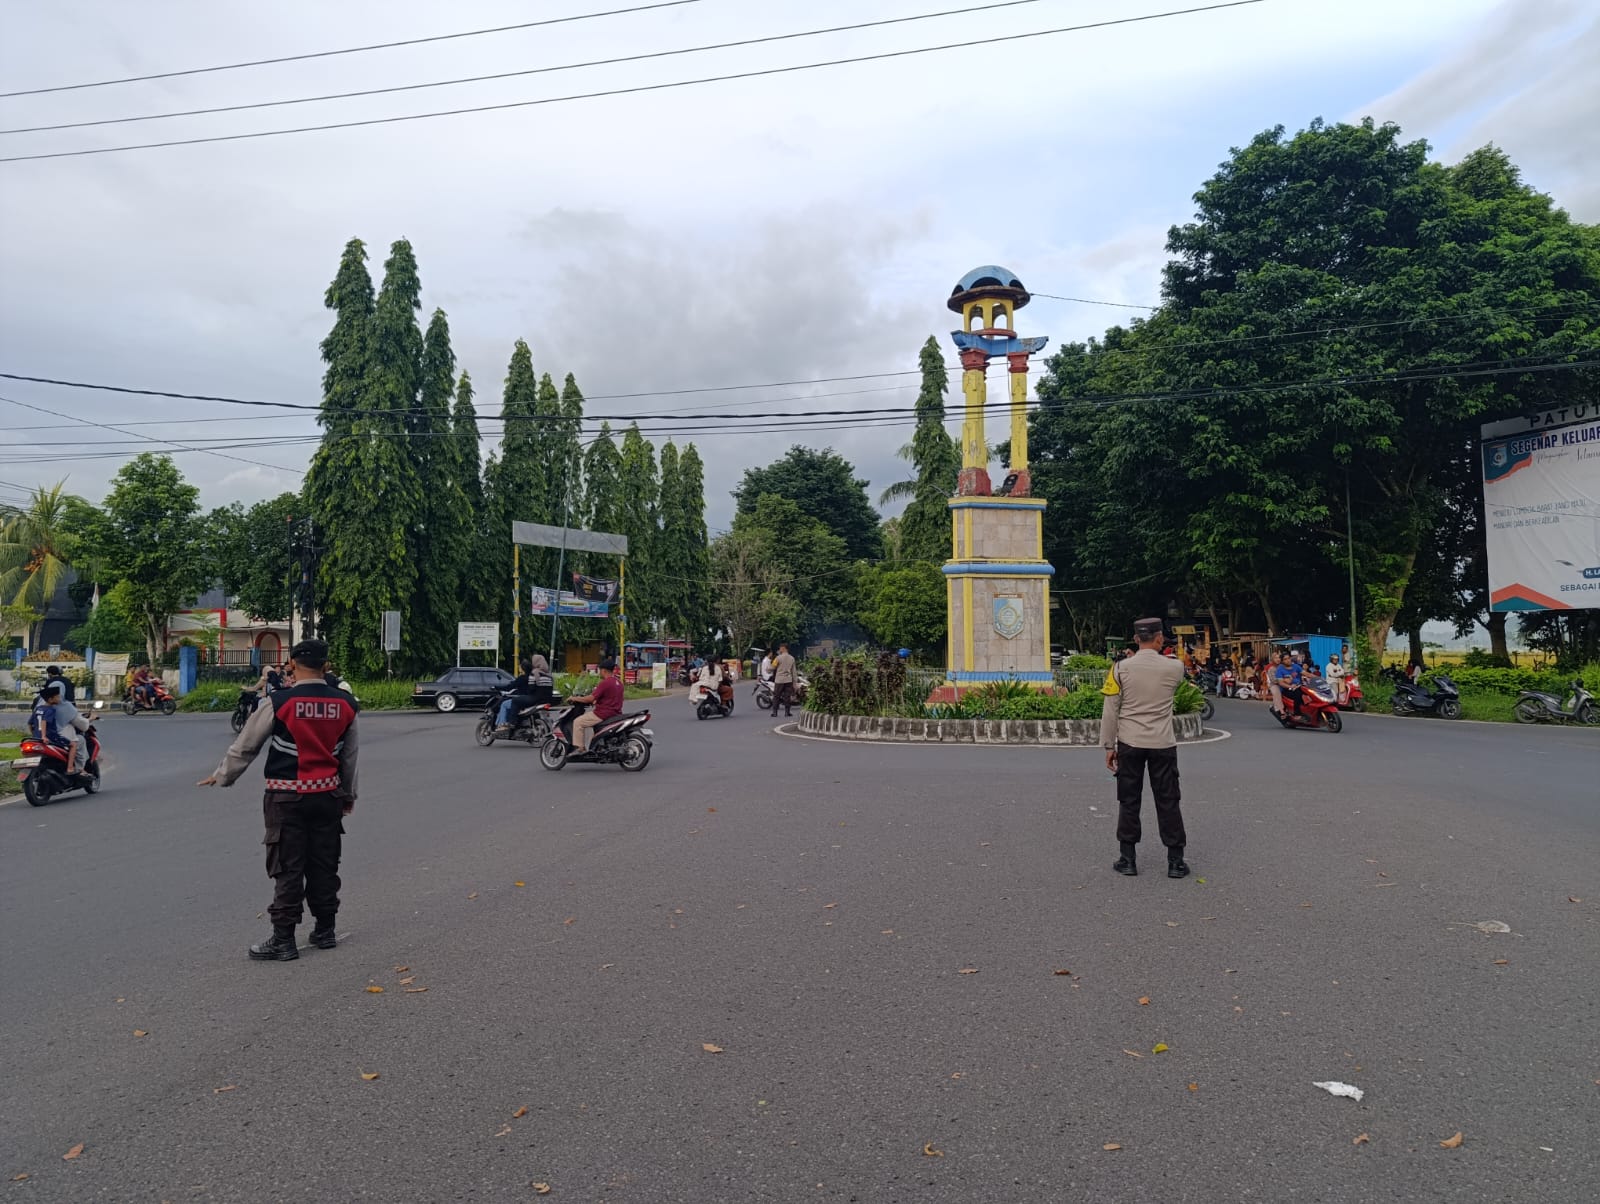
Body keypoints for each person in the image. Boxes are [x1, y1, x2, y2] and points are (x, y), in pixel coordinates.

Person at [197, 638, 359, 962]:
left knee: (287, 867)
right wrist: (348, 795)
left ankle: (283, 939)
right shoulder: (346, 703)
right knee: (324, 863)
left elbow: (247, 744)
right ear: (326, 666)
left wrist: (224, 774)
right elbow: (350, 756)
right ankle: (325, 931)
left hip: (286, 797)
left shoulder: (280, 700)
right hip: (328, 795)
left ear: (293, 665)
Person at [1100, 618, 1189, 879]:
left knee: (1129, 800)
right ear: (1160, 638)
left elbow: (1111, 709)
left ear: (1136, 639)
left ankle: (1127, 859)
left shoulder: (1119, 669)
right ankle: (1176, 862)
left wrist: (1109, 745)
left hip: (1130, 742)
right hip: (1163, 743)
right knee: (1169, 801)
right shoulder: (1176, 668)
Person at [569, 657, 623, 753]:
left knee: (578, 722)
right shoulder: (618, 682)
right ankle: (594, 745)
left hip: (603, 714)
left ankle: (580, 748)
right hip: (616, 713)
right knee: (589, 723)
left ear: (604, 670)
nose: (599, 672)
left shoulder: (605, 683)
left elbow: (590, 698)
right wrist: (596, 701)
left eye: (600, 670)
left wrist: (574, 698)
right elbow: (610, 697)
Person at [496, 654, 554, 734]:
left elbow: (531, 689)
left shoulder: (534, 673)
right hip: (547, 699)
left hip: (536, 698)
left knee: (515, 700)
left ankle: (512, 722)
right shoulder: (549, 675)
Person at [770, 642, 797, 718]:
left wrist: (767, 668)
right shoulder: (792, 658)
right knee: (787, 696)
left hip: (779, 680)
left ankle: (775, 712)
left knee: (776, 696)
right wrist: (795, 682)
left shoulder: (778, 658)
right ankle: (787, 712)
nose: (779, 650)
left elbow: (772, 667)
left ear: (783, 648)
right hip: (788, 680)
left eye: (780, 648)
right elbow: (794, 672)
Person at [1273, 651, 1303, 716]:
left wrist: (1317, 677)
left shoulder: (1296, 666)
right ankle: (1297, 713)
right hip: (1286, 689)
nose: (1288, 660)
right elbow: (1281, 683)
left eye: (1288, 658)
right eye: (1285, 659)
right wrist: (1290, 687)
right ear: (1282, 661)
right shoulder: (1280, 669)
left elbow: (1305, 673)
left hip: (1298, 686)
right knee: (1298, 694)